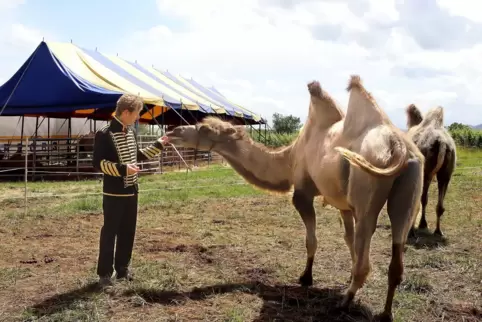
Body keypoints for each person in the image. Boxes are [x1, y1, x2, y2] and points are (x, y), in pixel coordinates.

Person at [92, 93, 169, 286]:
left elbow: (138, 156)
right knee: (110, 233)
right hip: (113, 193)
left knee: (128, 231)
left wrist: (159, 144)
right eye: (136, 114)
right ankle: (104, 274)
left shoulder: (131, 132)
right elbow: (98, 163)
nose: (137, 117)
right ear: (126, 112)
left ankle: (123, 270)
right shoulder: (104, 133)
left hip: (132, 191)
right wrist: (122, 170)